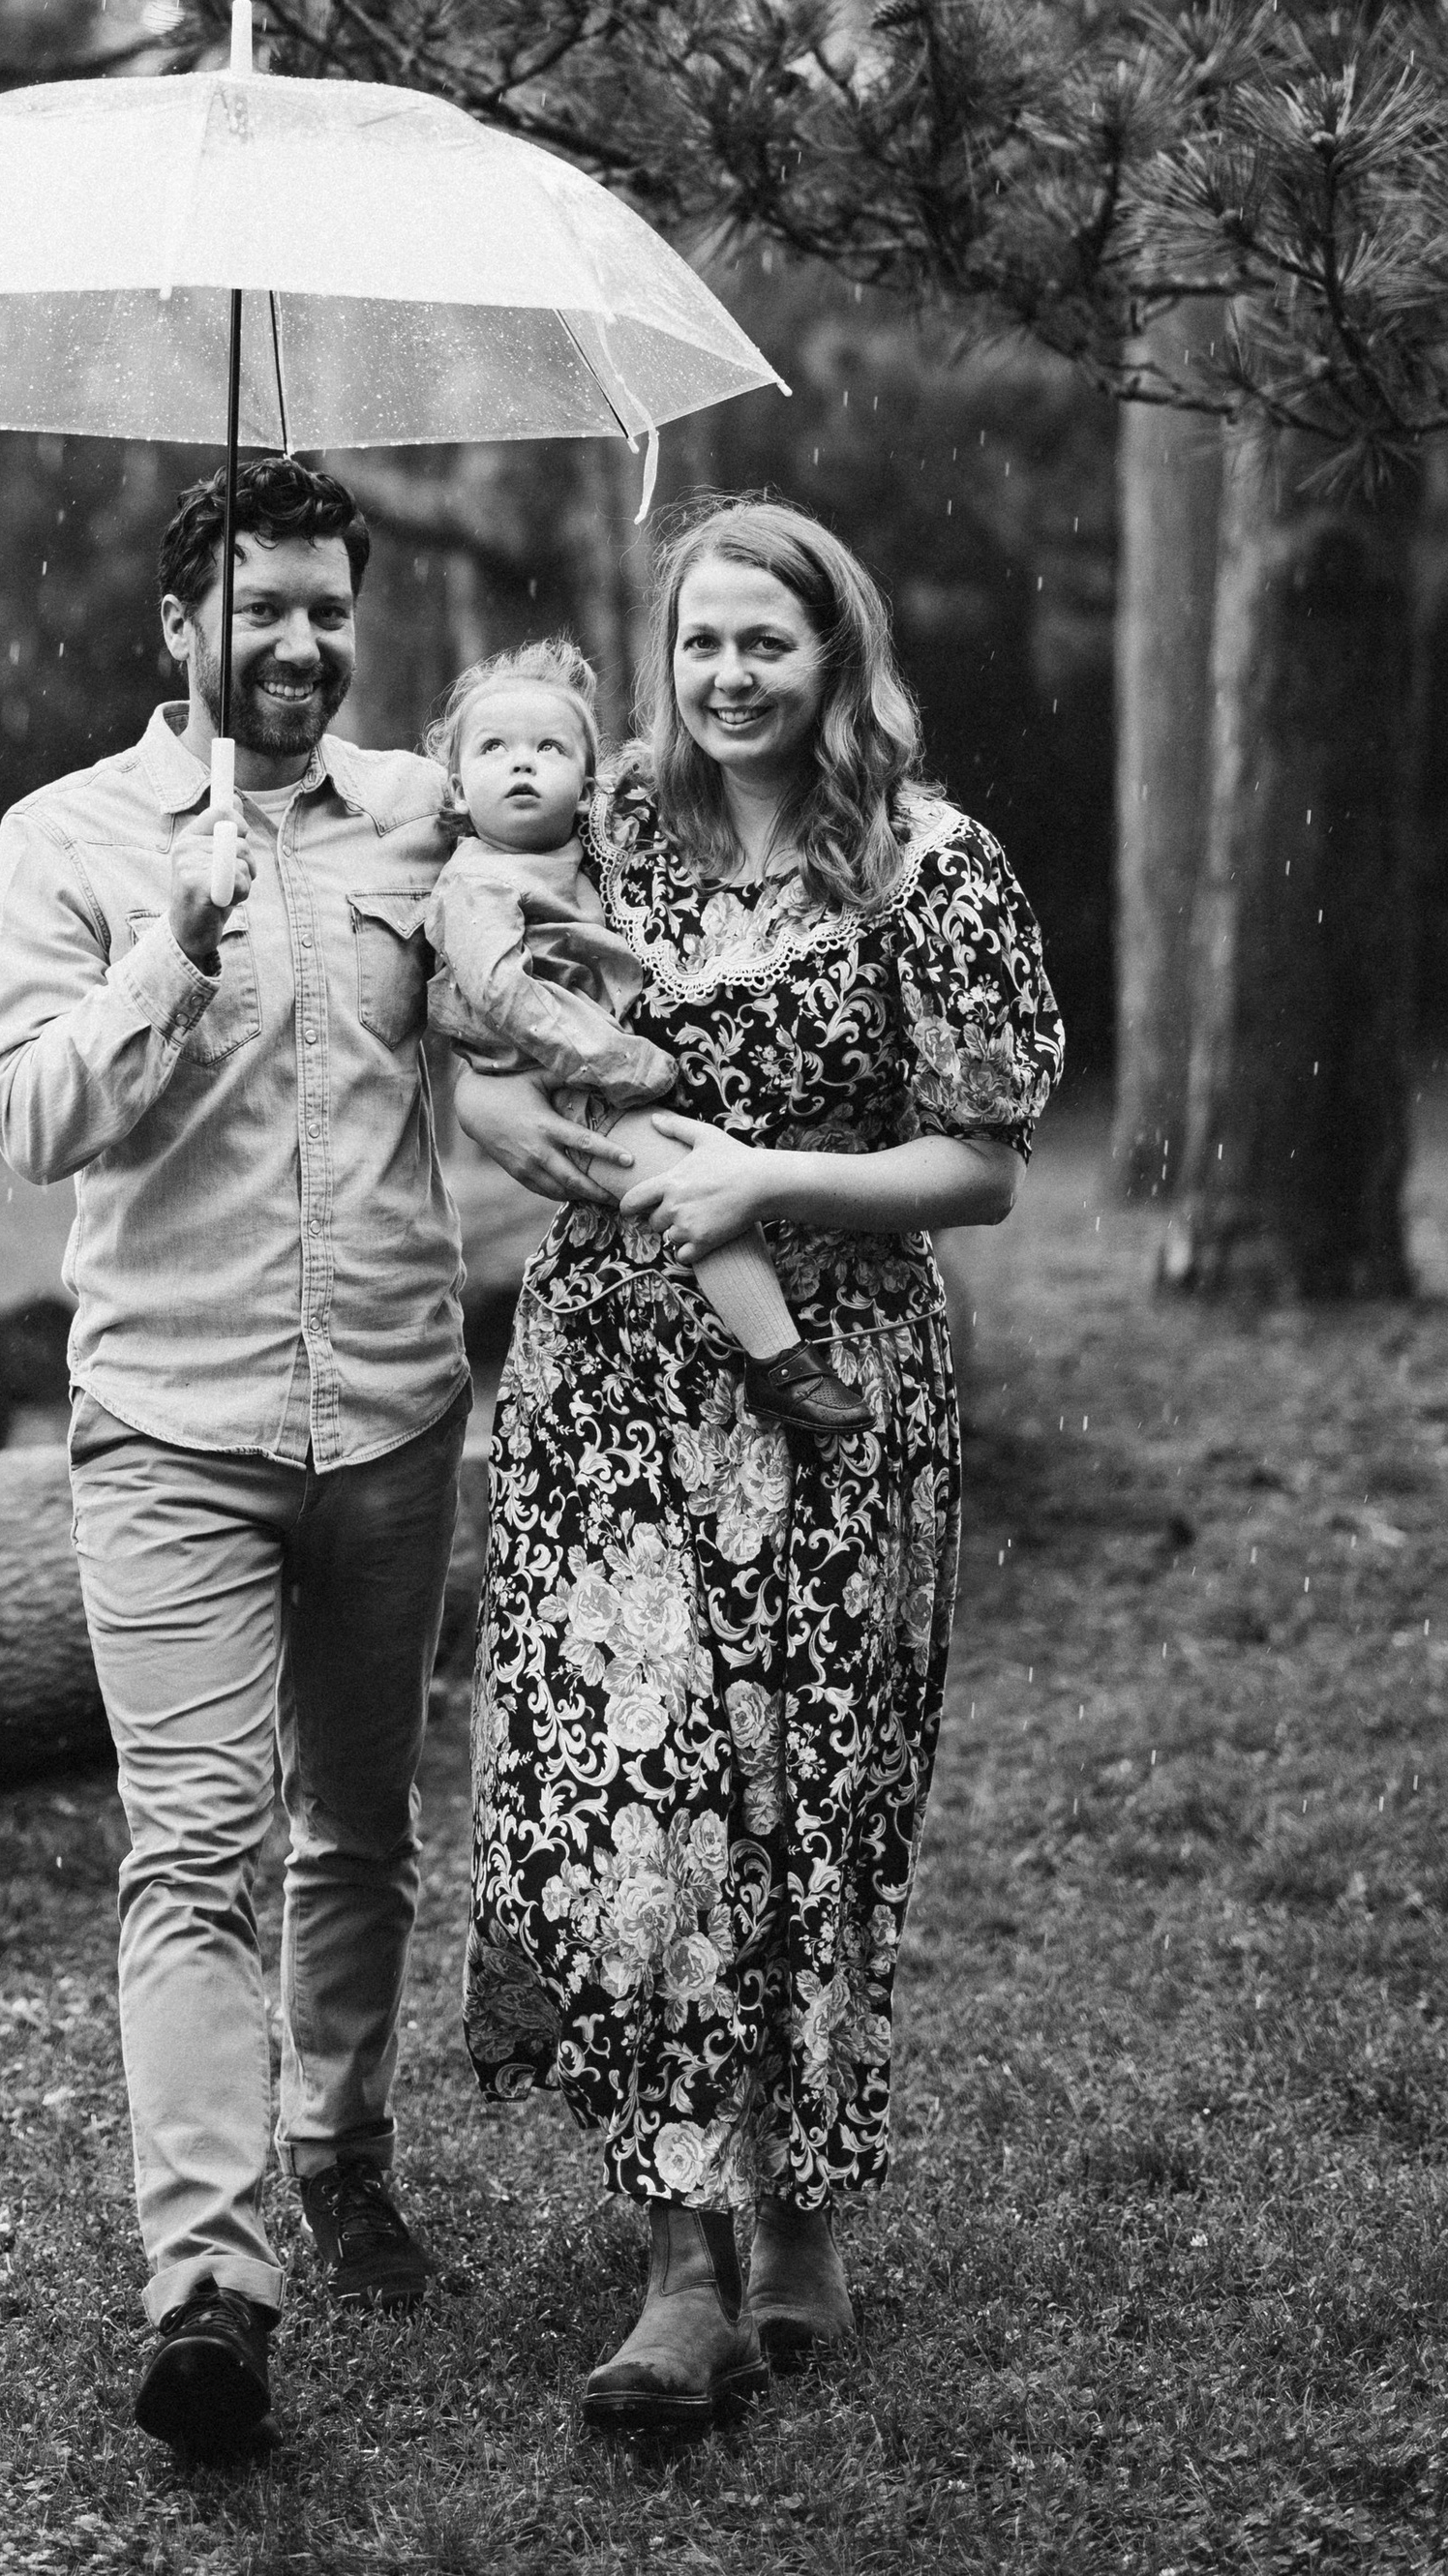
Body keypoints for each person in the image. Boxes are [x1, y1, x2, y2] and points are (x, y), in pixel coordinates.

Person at [455, 496, 1064, 2432]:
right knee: (640, 1801)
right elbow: (460, 987)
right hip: (609, 1391)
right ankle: (673, 2263)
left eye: (763, 645)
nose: (724, 678)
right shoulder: (596, 833)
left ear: (834, 658)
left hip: (831, 1398)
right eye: (698, 644)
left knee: (809, 1803)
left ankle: (794, 2202)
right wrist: (491, 1100)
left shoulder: (925, 863)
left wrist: (764, 1173)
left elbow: (973, 1159)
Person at [0, 453, 468, 2464]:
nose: (296, 644)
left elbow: (524, 997)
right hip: (169, 1428)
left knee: (359, 1831)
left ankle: (335, 2151)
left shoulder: (422, 823)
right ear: (178, 627)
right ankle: (208, 2283)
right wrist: (162, 959)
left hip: (392, 1411)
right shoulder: (66, 837)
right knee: (192, 1847)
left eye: (324, 610)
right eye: (257, 609)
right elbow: (26, 1118)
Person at [420, 638, 867, 1438]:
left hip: (584, 1071)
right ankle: (781, 1360)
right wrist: (620, 1061)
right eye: (494, 750)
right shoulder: (476, 880)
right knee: (692, 1182)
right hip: (568, 1081)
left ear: (586, 786)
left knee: (694, 1183)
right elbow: (505, 992)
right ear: (456, 783)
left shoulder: (584, 848)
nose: (521, 765)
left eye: (547, 749)